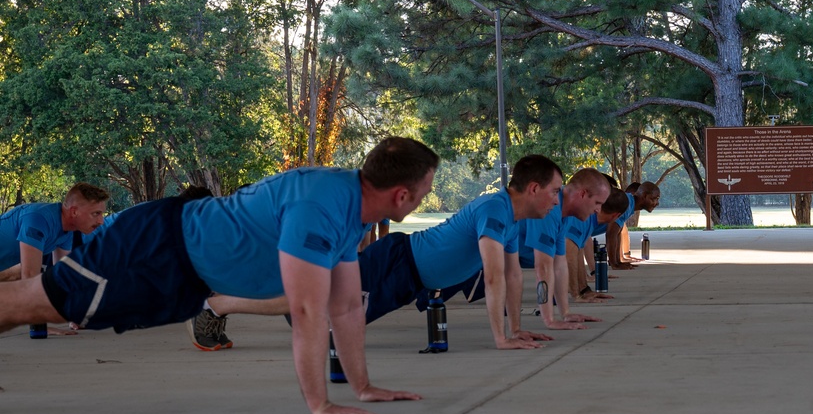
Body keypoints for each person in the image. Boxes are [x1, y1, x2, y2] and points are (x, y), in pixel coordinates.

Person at [0, 137, 439, 414]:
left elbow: (344, 307)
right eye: (425, 189)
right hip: (154, 247)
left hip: (183, 275)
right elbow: (306, 311)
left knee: (38, 303)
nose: (424, 196)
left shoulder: (351, 209)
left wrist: (362, 388)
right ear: (403, 195)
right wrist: (320, 404)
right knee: (34, 303)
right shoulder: (320, 207)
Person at [196, 155, 562, 351]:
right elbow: (495, 275)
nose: (556, 200)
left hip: (408, 278)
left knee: (319, 317)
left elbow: (513, 276)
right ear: (533, 188)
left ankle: (224, 300)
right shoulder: (495, 209)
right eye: (555, 191)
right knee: (310, 309)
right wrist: (500, 339)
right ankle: (218, 304)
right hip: (397, 261)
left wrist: (516, 329)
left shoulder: (512, 219)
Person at [518, 168, 610, 330]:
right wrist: (549, 320)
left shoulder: (564, 214)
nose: (598, 211)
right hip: (471, 261)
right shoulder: (549, 209)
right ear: (582, 194)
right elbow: (543, 268)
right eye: (597, 203)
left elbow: (559, 265)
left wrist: (565, 313)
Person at [0, 183, 109, 281]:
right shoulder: (39, 219)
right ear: (74, 212)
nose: (101, 221)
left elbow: (60, 275)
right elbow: (30, 277)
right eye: (96, 214)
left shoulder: (67, 231)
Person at [566, 188, 629, 302]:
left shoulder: (589, 219)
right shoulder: (582, 217)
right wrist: (576, 295)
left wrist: (584, 290)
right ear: (617, 216)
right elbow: (569, 257)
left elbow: (578, 253)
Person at [606, 182, 661, 270]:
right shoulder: (625, 203)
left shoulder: (629, 204)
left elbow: (617, 234)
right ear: (644, 196)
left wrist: (618, 262)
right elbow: (611, 234)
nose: (657, 203)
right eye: (654, 198)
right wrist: (614, 264)